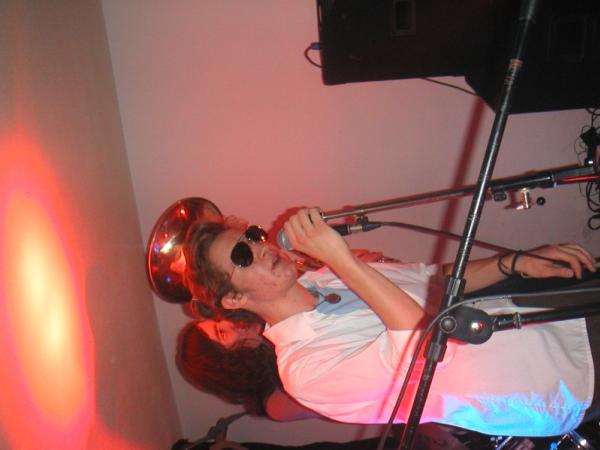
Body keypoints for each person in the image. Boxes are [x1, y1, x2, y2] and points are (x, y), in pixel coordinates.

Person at [182, 207, 598, 437]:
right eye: (242, 256)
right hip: (557, 375)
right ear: (234, 299)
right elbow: (427, 345)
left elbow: (433, 280)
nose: (260, 247)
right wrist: (340, 257)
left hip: (542, 314)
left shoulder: (324, 277)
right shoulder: (304, 372)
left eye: (252, 236)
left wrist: (515, 262)